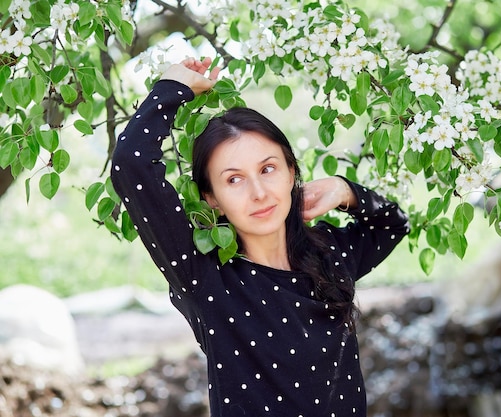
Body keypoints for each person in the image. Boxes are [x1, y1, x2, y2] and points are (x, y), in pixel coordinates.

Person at [110, 57, 410, 417]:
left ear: (291, 173)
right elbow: (130, 162)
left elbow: (394, 224)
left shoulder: (329, 254)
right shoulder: (205, 279)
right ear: (212, 199)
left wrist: (346, 191)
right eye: (234, 179)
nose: (259, 193)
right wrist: (172, 87)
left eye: (268, 169)